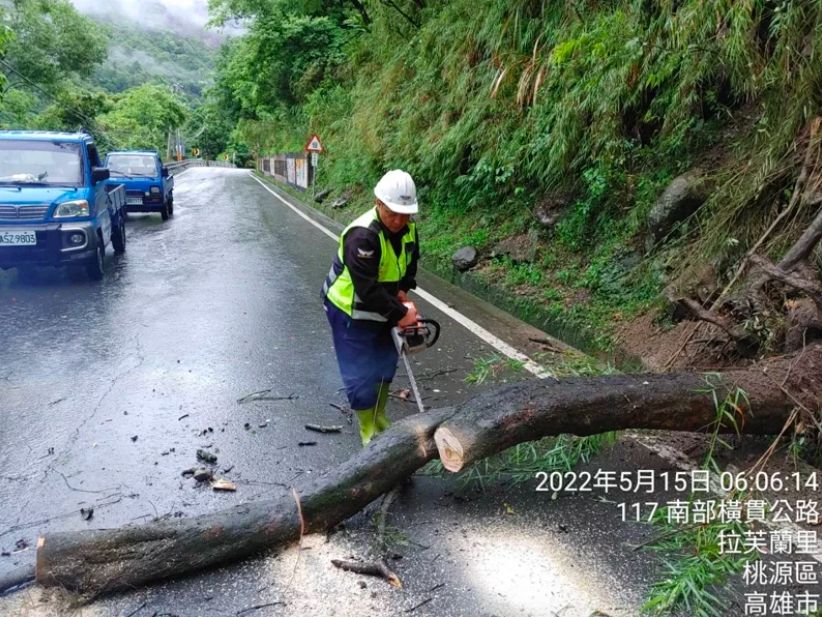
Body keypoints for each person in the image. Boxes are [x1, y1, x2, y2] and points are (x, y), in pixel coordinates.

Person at [322, 169, 421, 446]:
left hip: (385, 307)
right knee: (360, 372)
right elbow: (366, 290)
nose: (400, 220)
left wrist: (403, 293)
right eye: (393, 212)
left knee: (385, 365)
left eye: (406, 214)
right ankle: (368, 430)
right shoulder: (362, 236)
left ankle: (380, 417)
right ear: (378, 202)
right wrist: (402, 314)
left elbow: (410, 263)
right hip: (350, 312)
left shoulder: (408, 228)